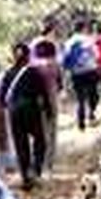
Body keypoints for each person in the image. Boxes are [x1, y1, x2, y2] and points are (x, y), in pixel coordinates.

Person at [0, 42, 52, 188]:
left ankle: (25, 177)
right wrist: (48, 111)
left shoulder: (8, 73)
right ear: (28, 56)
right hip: (31, 109)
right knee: (40, 141)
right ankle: (35, 170)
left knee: (20, 143)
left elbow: (2, 97)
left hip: (14, 111)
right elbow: (43, 93)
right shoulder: (34, 72)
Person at [29, 35, 62, 170]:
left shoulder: (33, 66)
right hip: (52, 100)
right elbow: (60, 85)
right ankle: (49, 161)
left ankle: (37, 160)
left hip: (35, 102)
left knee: (37, 132)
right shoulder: (55, 65)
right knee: (51, 131)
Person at [62, 20, 101, 131]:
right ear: (83, 28)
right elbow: (97, 55)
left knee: (80, 98)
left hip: (76, 73)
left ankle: (81, 122)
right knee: (93, 95)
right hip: (90, 71)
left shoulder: (68, 42)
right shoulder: (88, 40)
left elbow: (65, 60)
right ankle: (91, 115)